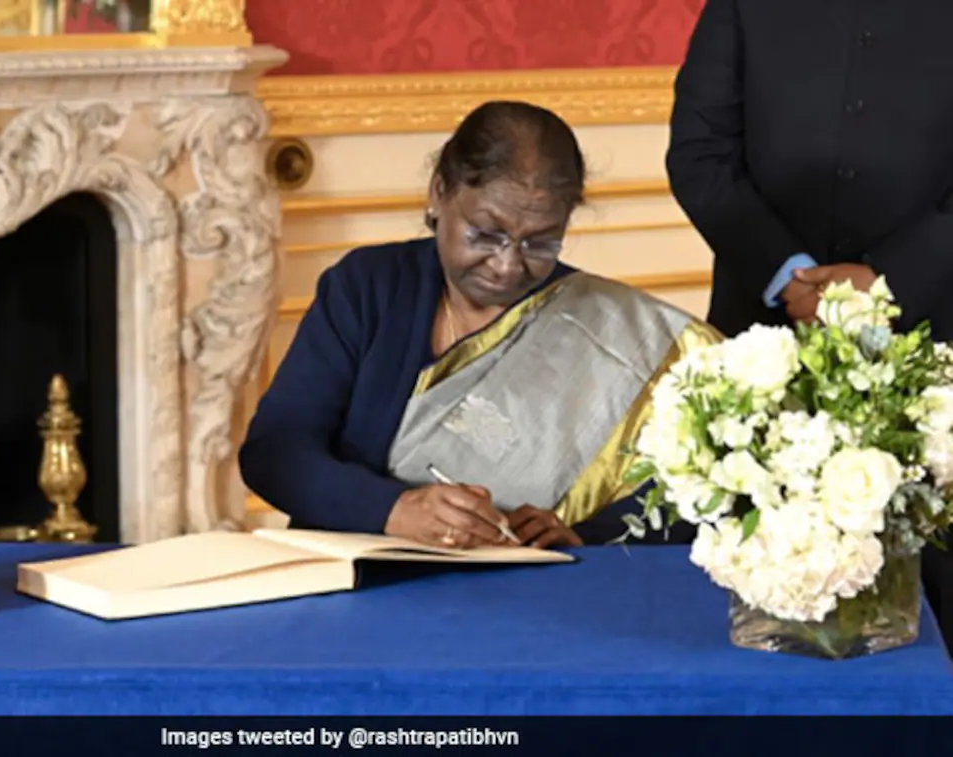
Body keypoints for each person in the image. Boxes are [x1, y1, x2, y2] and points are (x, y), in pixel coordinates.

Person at [239, 101, 721, 550]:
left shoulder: (612, 329)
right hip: (355, 576)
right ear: (438, 193)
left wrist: (580, 531)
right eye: (485, 234)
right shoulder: (369, 288)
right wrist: (393, 509)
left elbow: (695, 500)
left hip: (523, 599)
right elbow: (274, 453)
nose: (508, 265)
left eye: (541, 243)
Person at [666, 0, 953, 644]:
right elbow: (699, 152)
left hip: (936, 336)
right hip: (766, 341)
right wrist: (786, 273)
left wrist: (884, 282)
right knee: (761, 601)